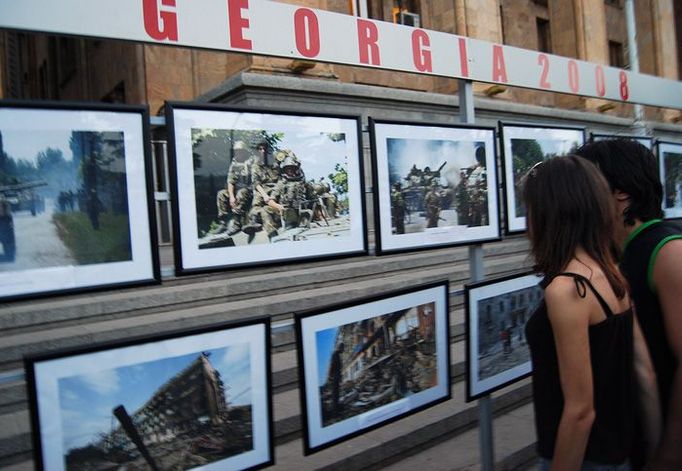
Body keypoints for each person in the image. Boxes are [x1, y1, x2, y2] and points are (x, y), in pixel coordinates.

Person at [522, 155, 660, 470]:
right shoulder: (610, 270)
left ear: (549, 213)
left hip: (584, 458)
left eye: (529, 208)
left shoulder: (568, 288)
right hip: (617, 453)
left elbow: (581, 411)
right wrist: (655, 450)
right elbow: (645, 372)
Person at [575, 139, 682, 470]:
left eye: (589, 186)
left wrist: (670, 452)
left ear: (620, 193)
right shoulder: (614, 252)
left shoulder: (667, 251)